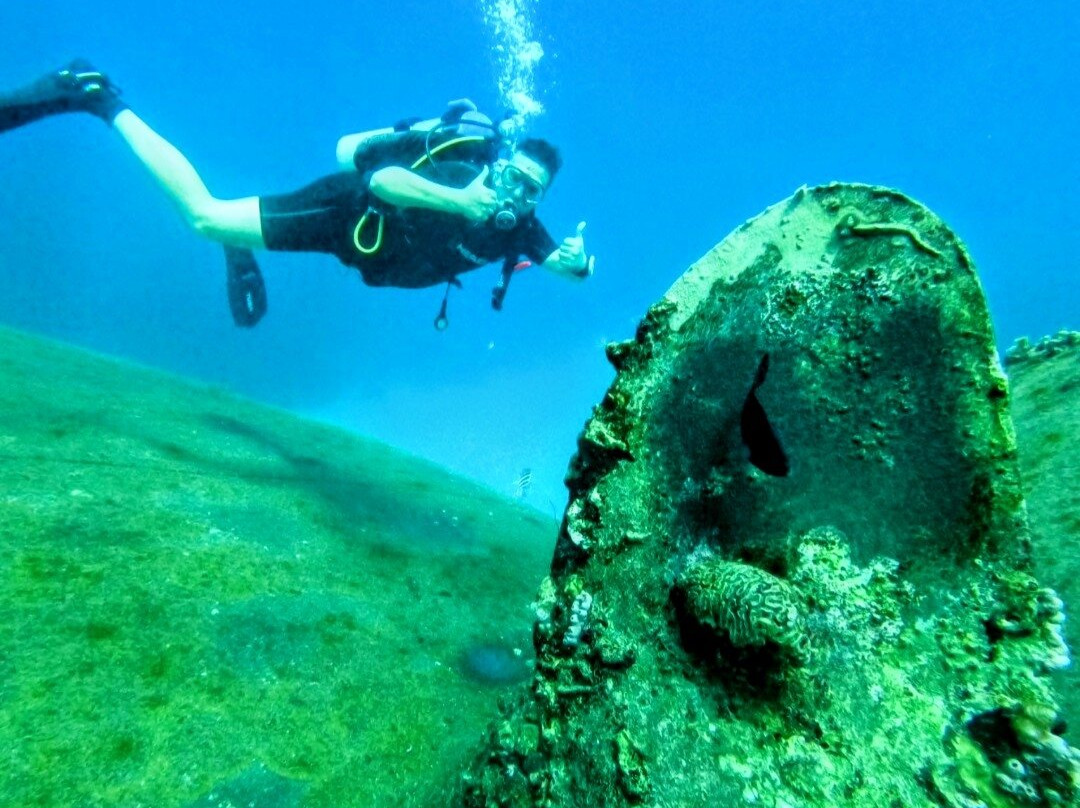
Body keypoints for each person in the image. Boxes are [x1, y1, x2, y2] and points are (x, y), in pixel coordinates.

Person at [0, 60, 594, 328]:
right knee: (204, 217)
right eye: (513, 175)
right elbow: (383, 181)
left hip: (367, 260)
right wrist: (462, 202)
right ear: (501, 162)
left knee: (220, 225)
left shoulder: (520, 226)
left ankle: (240, 245)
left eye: (531, 189)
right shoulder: (462, 175)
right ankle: (95, 94)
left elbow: (562, 269)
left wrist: (578, 265)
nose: (515, 191)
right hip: (342, 217)